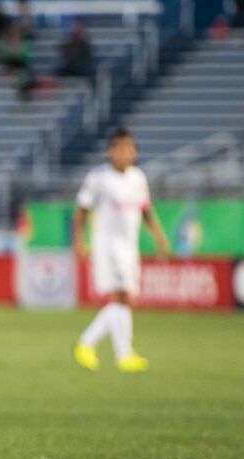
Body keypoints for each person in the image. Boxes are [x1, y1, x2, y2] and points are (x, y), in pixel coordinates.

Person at [72, 128, 169, 373]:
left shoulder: (138, 178)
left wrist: (158, 237)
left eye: (131, 149)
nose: (127, 153)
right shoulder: (99, 178)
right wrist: (79, 241)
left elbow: (145, 210)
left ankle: (103, 348)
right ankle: (113, 351)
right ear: (111, 151)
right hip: (107, 246)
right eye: (122, 148)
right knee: (122, 297)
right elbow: (81, 210)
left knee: (126, 299)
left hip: (129, 246)